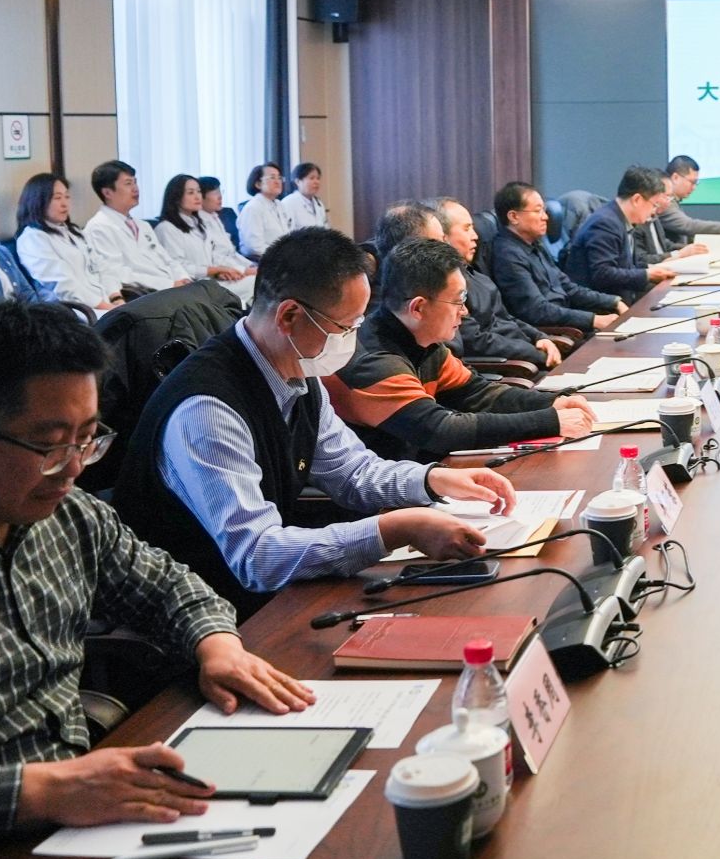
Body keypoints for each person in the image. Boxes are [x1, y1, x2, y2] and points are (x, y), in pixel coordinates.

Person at [0, 300, 313, 859]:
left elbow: (167, 585)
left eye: (88, 439)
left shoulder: (64, 512)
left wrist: (216, 645)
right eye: (50, 446)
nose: (73, 470)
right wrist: (35, 791)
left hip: (81, 828)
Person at [115, 228, 520, 617]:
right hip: (204, 614)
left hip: (270, 597)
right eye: (346, 326)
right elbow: (257, 557)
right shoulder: (207, 408)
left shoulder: (298, 371)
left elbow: (352, 471)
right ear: (290, 316)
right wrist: (393, 530)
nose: (353, 340)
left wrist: (433, 481)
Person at [325, 240, 592, 460]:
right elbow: (441, 431)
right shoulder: (374, 361)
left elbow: (478, 393)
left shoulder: (423, 342)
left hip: (424, 472)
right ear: (418, 308)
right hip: (385, 496)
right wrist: (549, 421)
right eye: (458, 301)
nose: (464, 311)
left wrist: (551, 402)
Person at [436, 198, 561, 370]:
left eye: (473, 228)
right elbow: (476, 341)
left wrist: (540, 337)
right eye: (466, 229)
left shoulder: (477, 275)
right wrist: (536, 353)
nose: (475, 236)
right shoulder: (449, 286)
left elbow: (507, 318)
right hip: (511, 368)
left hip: (526, 355)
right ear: (443, 237)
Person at [488, 181, 625, 336]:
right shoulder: (508, 256)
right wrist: (593, 320)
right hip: (550, 333)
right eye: (538, 211)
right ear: (514, 216)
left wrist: (613, 301)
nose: (546, 217)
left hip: (566, 320)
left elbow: (569, 288)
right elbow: (537, 310)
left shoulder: (535, 244)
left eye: (544, 210)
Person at [564, 166, 677, 299]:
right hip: (602, 304)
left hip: (622, 297)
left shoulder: (621, 219)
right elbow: (603, 274)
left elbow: (627, 266)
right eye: (654, 205)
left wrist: (655, 267)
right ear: (637, 200)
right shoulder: (605, 223)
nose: (653, 211)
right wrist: (647, 274)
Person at [14, 174, 123, 311]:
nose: (64, 203)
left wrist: (116, 298)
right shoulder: (32, 238)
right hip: (75, 311)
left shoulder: (74, 232)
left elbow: (101, 266)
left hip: (104, 304)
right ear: (38, 201)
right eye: (57, 198)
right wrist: (108, 308)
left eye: (67, 196)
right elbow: (63, 286)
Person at [82, 161, 189, 294]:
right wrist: (168, 284)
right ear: (107, 193)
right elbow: (116, 273)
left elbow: (167, 259)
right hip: (145, 294)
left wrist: (183, 278)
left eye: (135, 182)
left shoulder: (142, 225)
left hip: (171, 289)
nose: (135, 189)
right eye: (128, 183)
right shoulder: (99, 227)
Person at [154, 175, 258, 304]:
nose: (198, 196)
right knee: (256, 284)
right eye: (191, 192)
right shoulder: (166, 228)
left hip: (211, 281)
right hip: (192, 287)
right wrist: (215, 271)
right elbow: (178, 266)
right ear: (176, 197)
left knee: (259, 284)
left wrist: (218, 272)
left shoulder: (199, 225)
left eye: (198, 191)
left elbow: (214, 257)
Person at [656, 156, 720, 247]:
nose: (694, 187)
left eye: (696, 183)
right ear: (675, 177)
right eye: (692, 182)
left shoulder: (675, 201)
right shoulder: (663, 203)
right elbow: (688, 226)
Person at [236, 162, 291, 262]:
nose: (277, 182)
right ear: (258, 184)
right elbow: (253, 247)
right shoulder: (253, 208)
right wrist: (280, 256)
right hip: (263, 261)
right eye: (272, 177)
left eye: (279, 178)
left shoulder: (280, 205)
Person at [282, 162, 329, 230]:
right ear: (298, 181)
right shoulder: (288, 203)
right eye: (312, 178)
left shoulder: (319, 204)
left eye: (318, 178)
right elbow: (287, 232)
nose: (316, 182)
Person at [200, 176, 242, 251]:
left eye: (220, 192)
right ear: (201, 197)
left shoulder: (228, 213)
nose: (220, 197)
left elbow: (238, 243)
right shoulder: (197, 221)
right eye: (215, 193)